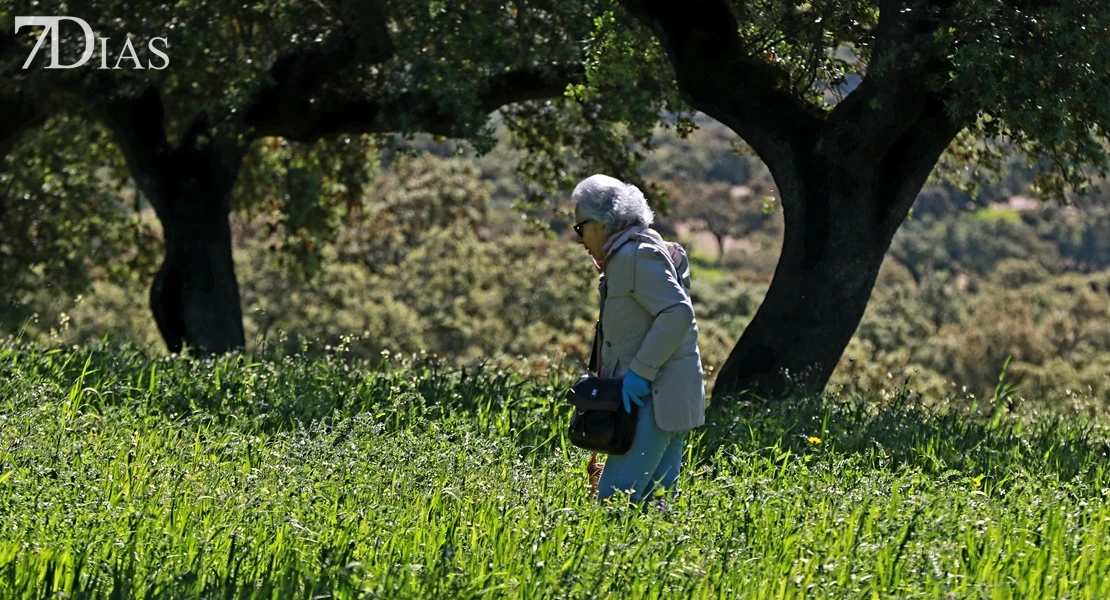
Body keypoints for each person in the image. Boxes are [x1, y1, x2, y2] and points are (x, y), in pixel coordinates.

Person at [571, 173, 706, 504]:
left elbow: (677, 313)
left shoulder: (634, 256)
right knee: (655, 508)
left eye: (580, 227)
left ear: (602, 224)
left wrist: (639, 374)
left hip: (652, 397)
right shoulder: (636, 252)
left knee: (613, 503)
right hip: (666, 397)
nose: (578, 238)